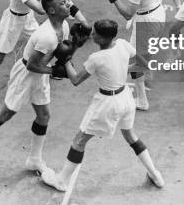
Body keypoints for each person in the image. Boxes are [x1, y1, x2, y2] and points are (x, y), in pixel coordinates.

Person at [41, 19, 165, 192]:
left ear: (104, 38)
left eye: (95, 34)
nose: (92, 35)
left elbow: (75, 80)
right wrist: (121, 70)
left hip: (107, 104)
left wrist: (67, 59)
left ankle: (61, 180)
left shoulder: (96, 58)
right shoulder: (122, 44)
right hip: (126, 99)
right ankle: (155, 174)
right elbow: (143, 64)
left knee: (79, 140)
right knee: (131, 136)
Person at [0, 0, 71, 172]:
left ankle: (34, 159)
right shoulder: (46, 36)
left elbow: (61, 52)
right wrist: (53, 71)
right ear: (51, 10)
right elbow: (32, 66)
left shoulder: (64, 26)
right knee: (7, 112)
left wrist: (70, 53)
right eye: (63, 3)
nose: (68, 5)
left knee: (44, 116)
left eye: (66, 2)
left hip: (41, 74)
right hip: (26, 73)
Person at [99, 0, 165, 111]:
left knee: (135, 59)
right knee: (145, 51)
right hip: (158, 13)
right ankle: (148, 73)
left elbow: (128, 14)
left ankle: (142, 100)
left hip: (146, 21)